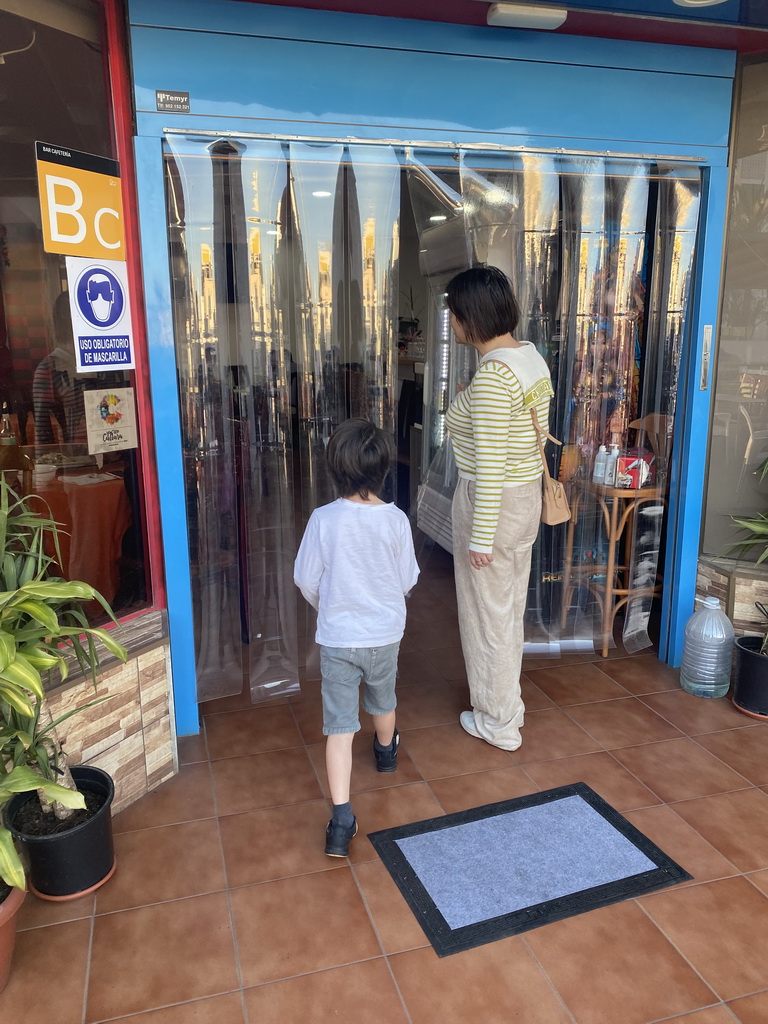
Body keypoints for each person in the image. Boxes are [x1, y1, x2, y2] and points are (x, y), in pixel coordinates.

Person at [294, 418, 419, 857]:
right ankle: (386, 751)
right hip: (384, 635)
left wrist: (329, 610)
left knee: (340, 728)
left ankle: (341, 820)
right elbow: (406, 580)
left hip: (338, 639)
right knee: (384, 700)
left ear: (335, 469)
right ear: (384, 469)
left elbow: (306, 579)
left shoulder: (323, 519)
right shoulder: (397, 520)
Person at [444, 265, 554, 751]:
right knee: (507, 609)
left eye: (453, 312)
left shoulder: (492, 379)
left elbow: (489, 467)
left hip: (493, 502)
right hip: (525, 497)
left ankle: (497, 722)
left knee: (487, 615)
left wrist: (480, 539)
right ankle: (509, 704)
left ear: (470, 316)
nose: (450, 320)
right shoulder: (529, 358)